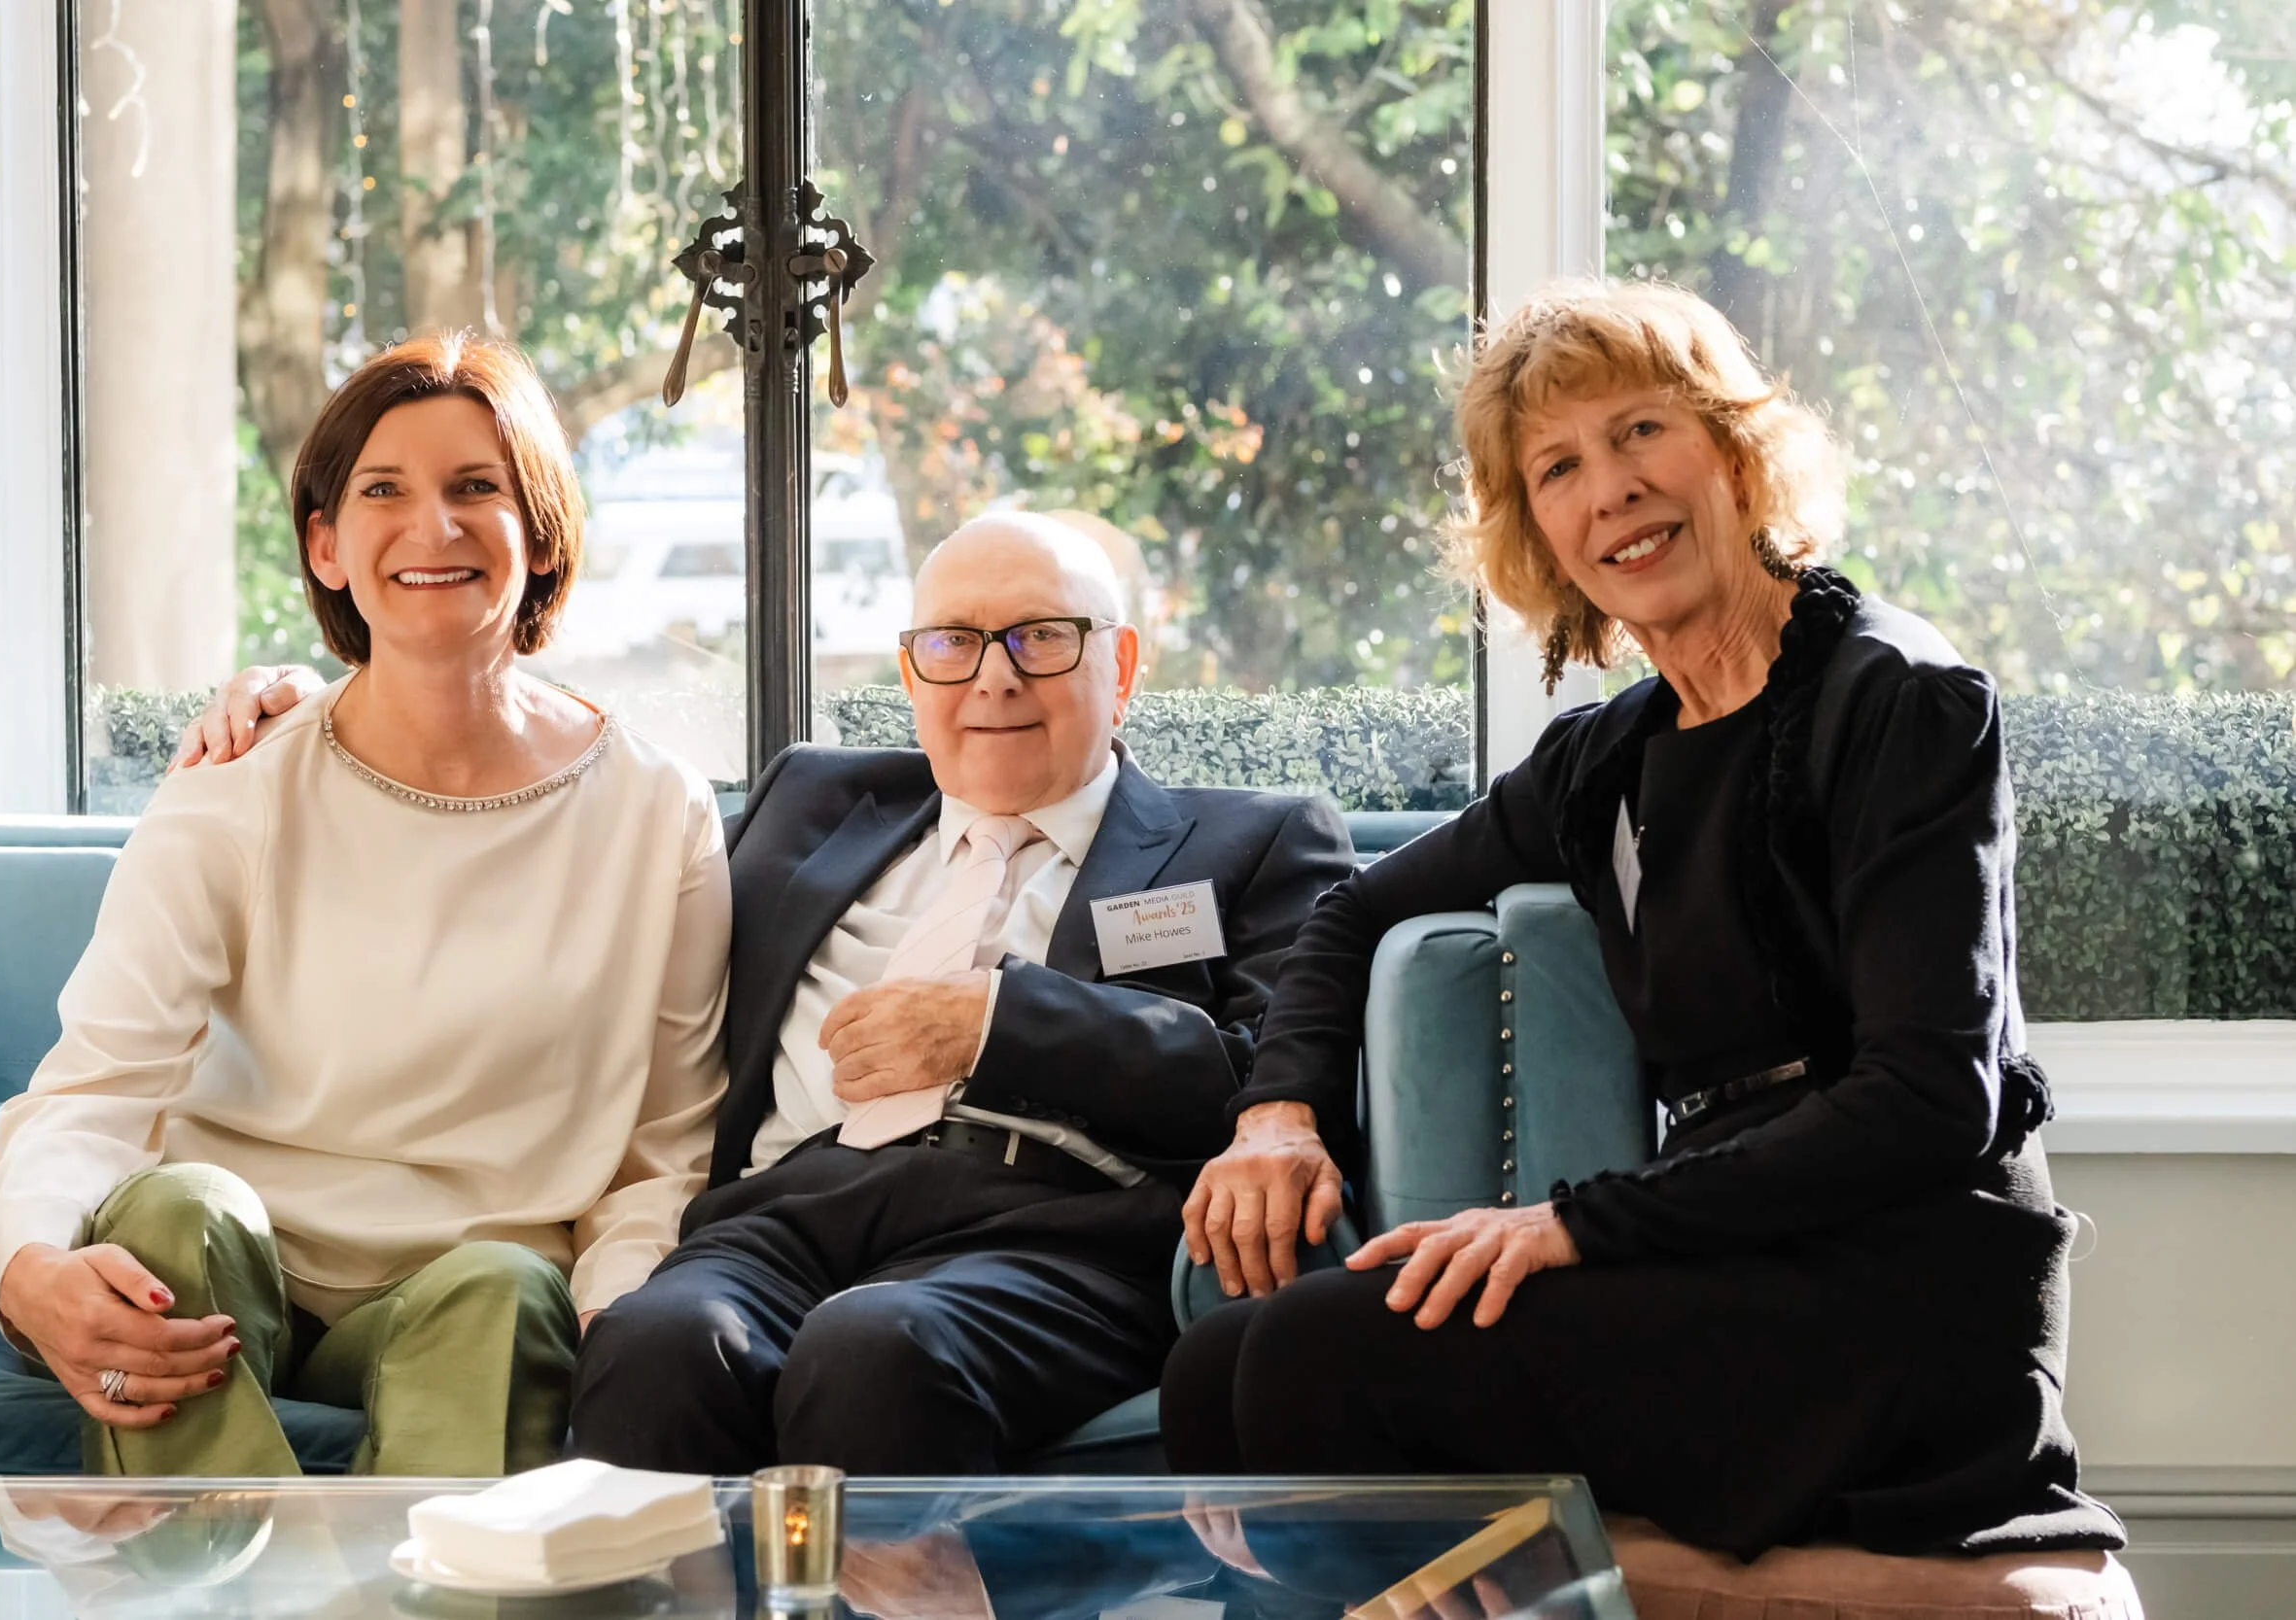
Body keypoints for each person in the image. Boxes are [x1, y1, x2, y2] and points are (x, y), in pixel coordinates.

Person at [1165, 279, 2126, 1560]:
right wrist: (1276, 1110)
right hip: (1715, 1251)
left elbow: (1927, 1095)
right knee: (1213, 1360)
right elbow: (1349, 911)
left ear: (1734, 446)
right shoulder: (1606, 756)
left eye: (1640, 431)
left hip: (1900, 1289)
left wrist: (1571, 1223)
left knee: (1303, 1355)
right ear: (1539, 533)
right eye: (1557, 464)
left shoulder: (1901, 697)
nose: (1607, 486)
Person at [179, 511, 1356, 1474]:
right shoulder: (815, 801)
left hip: (1049, 1231)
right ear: (911, 670)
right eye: (951, 643)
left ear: (1122, 664)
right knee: (652, 1337)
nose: (992, 677)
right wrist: (325, 707)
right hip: (784, 1214)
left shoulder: (1249, 840)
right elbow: (550, 803)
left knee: (877, 1344)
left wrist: (996, 1021)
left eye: (1041, 638)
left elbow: (1265, 1074)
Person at [0, 333, 730, 1476]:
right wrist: (25, 1264)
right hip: (227, 1261)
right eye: (384, 490)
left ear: (541, 534)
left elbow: (664, 1154)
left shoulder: (657, 812)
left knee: (508, 1286)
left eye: (479, 487)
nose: (435, 527)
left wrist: (615, 1313)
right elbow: (97, 1085)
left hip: (468, 1285)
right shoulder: (239, 780)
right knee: (179, 1207)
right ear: (326, 544)